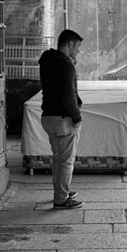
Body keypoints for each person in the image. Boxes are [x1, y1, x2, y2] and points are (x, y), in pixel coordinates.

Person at [38, 29, 83, 209]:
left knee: (58, 157)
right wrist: (77, 116)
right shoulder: (66, 65)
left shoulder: (47, 61)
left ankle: (60, 191)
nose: (78, 51)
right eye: (78, 46)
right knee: (66, 160)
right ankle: (61, 199)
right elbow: (68, 95)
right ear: (70, 44)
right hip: (63, 118)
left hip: (48, 116)